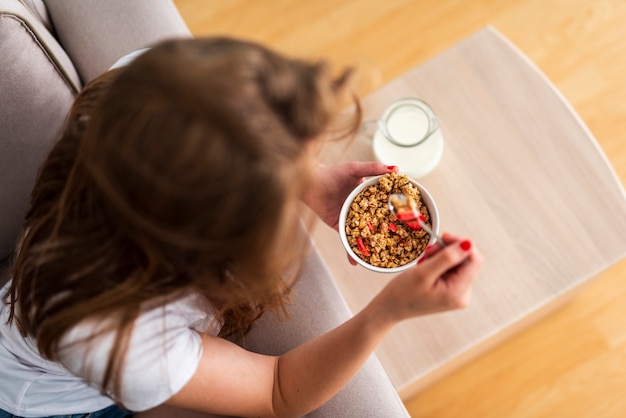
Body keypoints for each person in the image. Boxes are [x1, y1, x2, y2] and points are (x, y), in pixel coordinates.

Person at [0, 37, 482, 417]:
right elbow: (276, 392)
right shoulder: (121, 340)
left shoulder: (147, 89)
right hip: (45, 404)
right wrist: (388, 312)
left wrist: (304, 181)